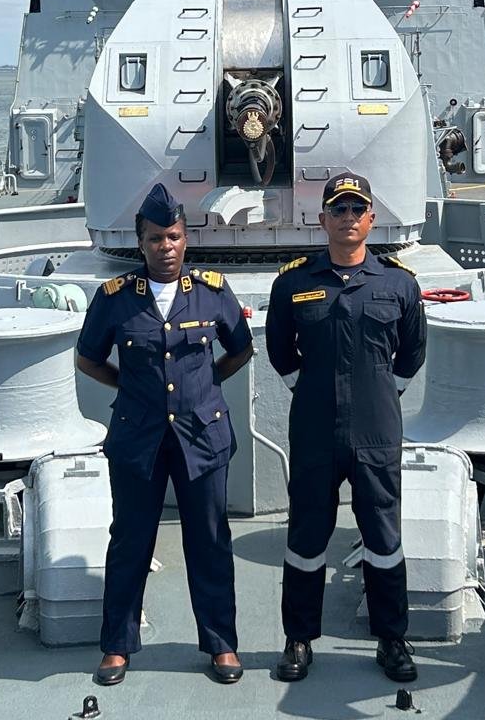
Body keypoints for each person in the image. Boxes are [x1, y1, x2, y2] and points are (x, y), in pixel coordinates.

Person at [76, 183, 254, 686]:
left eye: (173, 237)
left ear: (185, 239)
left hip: (202, 437)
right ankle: (117, 645)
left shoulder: (212, 292)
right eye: (156, 238)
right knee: (130, 540)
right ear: (141, 242)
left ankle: (221, 643)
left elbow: (240, 349)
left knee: (210, 540)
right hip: (139, 438)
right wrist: (130, 387)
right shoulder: (115, 299)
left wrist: (206, 383)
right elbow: (89, 359)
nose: (166, 247)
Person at [266, 171, 428, 683]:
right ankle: (298, 639)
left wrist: (381, 393)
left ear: (371, 219)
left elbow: (412, 352)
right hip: (315, 429)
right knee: (306, 534)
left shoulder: (398, 284)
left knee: (383, 535)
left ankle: (392, 639)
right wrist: (309, 389)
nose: (348, 217)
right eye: (339, 209)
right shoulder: (293, 283)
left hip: (377, 430)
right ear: (323, 219)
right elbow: (279, 350)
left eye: (357, 209)